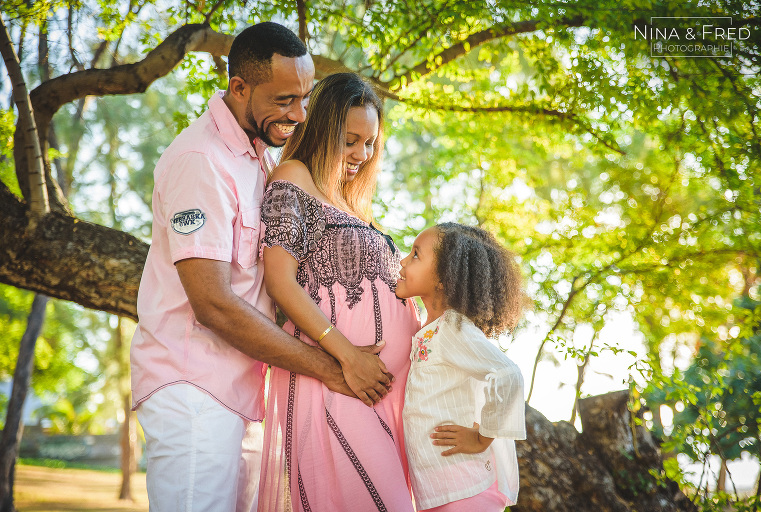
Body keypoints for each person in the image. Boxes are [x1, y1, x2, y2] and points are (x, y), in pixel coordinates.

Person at [130, 24, 391, 512]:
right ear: (239, 88)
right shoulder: (201, 160)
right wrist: (332, 367)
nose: (298, 114)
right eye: (284, 99)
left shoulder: (257, 159)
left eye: (305, 98)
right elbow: (213, 304)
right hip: (194, 391)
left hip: (247, 393)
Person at [257, 72, 421, 511]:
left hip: (384, 394)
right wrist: (349, 356)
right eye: (350, 140)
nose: (361, 155)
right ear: (323, 128)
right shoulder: (293, 177)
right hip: (338, 384)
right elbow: (280, 281)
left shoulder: (352, 205)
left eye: (369, 143)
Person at [395, 222, 527, 512]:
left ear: (443, 278)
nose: (403, 261)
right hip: (441, 490)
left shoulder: (453, 328)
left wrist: (482, 438)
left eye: (416, 254)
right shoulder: (428, 327)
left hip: (465, 489)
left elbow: (508, 375)